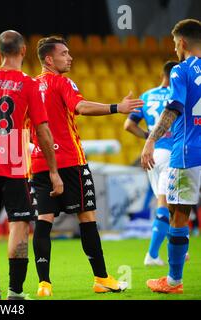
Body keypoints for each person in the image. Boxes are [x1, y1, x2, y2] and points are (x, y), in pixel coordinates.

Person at [30, 36, 144, 296]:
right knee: (87, 218)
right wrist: (118, 107)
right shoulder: (62, 82)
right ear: (49, 59)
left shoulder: (30, 86)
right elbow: (80, 106)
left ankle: (44, 284)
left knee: (43, 221)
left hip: (39, 162)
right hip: (70, 161)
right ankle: (101, 278)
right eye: (64, 53)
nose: (70, 57)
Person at [0, 30, 63, 300]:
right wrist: (53, 171)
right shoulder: (29, 84)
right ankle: (15, 292)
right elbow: (42, 131)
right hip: (14, 163)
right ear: (23, 51)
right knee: (18, 225)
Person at [141, 19, 201, 294]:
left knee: (178, 213)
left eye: (175, 44)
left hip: (188, 151)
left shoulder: (181, 70)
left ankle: (173, 280)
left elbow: (173, 108)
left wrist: (150, 140)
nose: (175, 49)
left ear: (183, 43)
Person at [124, 61, 178, 266]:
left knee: (166, 202)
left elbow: (128, 125)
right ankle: (153, 255)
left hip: (152, 152)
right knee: (167, 204)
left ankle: (179, 245)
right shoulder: (178, 95)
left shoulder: (146, 96)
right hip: (171, 153)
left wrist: (149, 136)